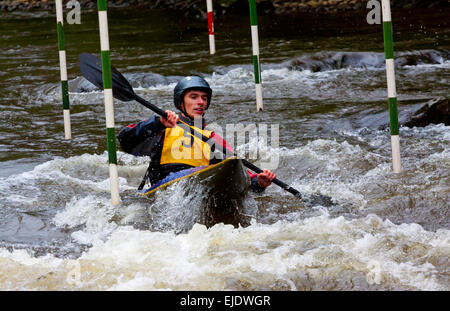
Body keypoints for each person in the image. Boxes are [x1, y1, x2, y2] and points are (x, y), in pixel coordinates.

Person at [117, 75, 276, 192]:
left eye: (204, 98)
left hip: (200, 185)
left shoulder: (212, 137)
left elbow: (237, 177)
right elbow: (126, 141)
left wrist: (258, 183)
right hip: (166, 186)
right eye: (194, 97)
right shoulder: (163, 127)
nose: (201, 102)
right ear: (181, 102)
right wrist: (157, 123)